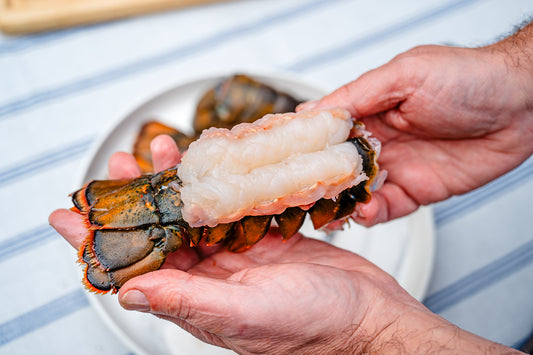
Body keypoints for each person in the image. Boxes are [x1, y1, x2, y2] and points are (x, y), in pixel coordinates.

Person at [49, 21, 533, 354]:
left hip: (329, 172)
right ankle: (166, 208)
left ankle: (165, 207)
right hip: (268, 181)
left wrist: (371, 334)